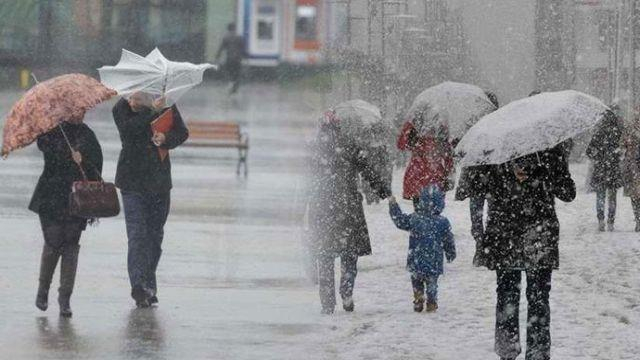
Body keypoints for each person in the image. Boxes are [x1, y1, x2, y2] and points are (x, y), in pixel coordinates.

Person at [476, 141, 575, 360]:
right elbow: (478, 187)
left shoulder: (501, 148)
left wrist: (542, 173)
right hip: (523, 236)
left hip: (520, 237)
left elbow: (568, 192)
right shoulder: (544, 147)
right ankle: (522, 352)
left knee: (516, 298)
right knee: (522, 298)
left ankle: (518, 351)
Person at [308, 114, 392, 315]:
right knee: (349, 252)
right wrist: (383, 190)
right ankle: (347, 291)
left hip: (322, 207)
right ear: (339, 126)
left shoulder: (313, 148)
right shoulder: (350, 144)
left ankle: (327, 302)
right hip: (348, 206)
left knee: (324, 255)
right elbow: (368, 170)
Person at [113, 92, 189, 307]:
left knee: (154, 236)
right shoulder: (120, 109)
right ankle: (138, 285)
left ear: (147, 95)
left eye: (137, 99)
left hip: (159, 182)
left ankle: (148, 285)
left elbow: (182, 133)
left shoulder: (165, 105)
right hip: (132, 182)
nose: (132, 102)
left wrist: (167, 139)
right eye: (131, 98)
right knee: (137, 235)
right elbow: (129, 130)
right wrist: (152, 112)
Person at [30, 122, 103, 317]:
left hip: (77, 199)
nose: (78, 113)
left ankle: (65, 298)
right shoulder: (50, 130)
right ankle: (43, 289)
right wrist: (67, 154)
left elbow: (97, 166)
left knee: (71, 245)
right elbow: (45, 149)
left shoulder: (87, 134)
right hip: (50, 195)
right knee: (53, 242)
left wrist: (83, 160)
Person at [388, 186, 456, 313]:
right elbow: (448, 239)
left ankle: (418, 296)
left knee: (416, 279)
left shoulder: (415, 218)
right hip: (434, 260)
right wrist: (451, 253)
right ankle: (431, 301)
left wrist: (393, 205)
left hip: (416, 257)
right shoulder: (442, 222)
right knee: (432, 282)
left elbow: (400, 221)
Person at [455, 91, 500, 266]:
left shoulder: (473, 124)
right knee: (490, 214)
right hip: (492, 177)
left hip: (477, 176)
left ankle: (481, 247)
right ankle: (485, 247)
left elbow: (461, 150)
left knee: (478, 214)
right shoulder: (499, 123)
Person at [397, 114, 454, 208]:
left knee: (420, 211)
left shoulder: (415, 131)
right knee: (435, 212)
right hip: (435, 177)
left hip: (418, 176)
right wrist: (448, 172)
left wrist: (409, 125)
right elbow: (448, 157)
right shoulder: (440, 130)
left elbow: (401, 145)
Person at [586, 109, 623, 231]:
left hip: (600, 169)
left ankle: (601, 220)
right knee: (612, 197)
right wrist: (616, 156)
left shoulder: (599, 133)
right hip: (613, 169)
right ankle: (611, 221)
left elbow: (589, 151)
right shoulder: (618, 132)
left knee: (600, 196)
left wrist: (597, 157)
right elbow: (622, 150)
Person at [216, 23, 246, 95]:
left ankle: (231, 84)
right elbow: (243, 49)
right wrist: (245, 57)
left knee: (230, 73)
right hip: (237, 60)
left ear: (228, 29)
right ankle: (234, 87)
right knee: (237, 74)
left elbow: (221, 48)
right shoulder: (239, 38)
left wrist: (217, 57)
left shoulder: (226, 38)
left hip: (229, 59)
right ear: (235, 29)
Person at [622, 110, 640, 231]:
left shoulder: (629, 129)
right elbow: (623, 144)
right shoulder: (629, 130)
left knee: (635, 197)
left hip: (633, 168)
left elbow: (622, 145)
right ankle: (638, 219)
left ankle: (638, 219)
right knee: (635, 196)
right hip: (633, 168)